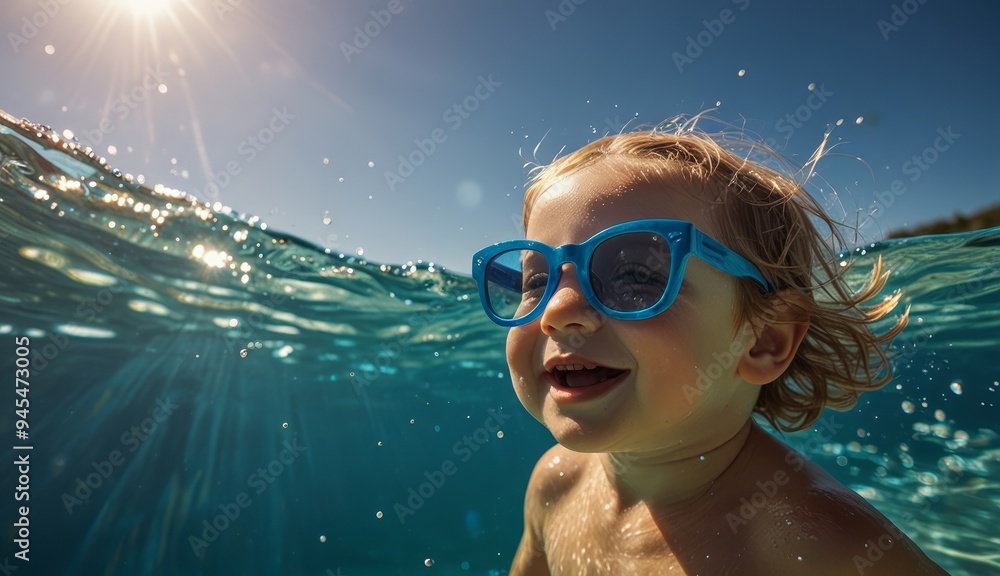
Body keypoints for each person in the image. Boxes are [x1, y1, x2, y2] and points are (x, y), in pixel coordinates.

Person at [471, 116, 947, 575]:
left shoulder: (818, 547)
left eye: (636, 275)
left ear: (765, 340)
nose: (557, 310)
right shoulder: (554, 483)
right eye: (537, 281)